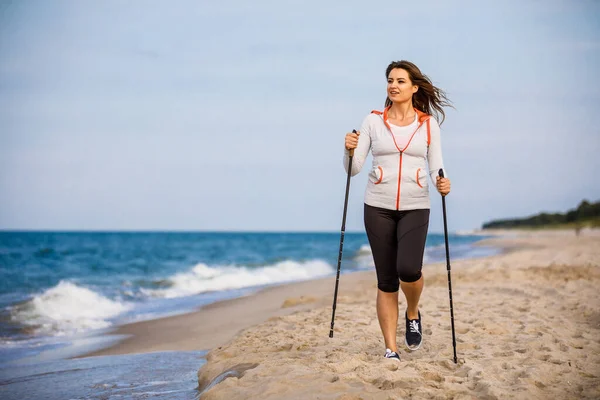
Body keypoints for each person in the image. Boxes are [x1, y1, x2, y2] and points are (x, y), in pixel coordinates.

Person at [343, 60, 452, 361]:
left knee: (408, 270)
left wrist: (443, 183)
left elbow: (436, 167)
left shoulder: (428, 125)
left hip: (416, 206)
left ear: (414, 87)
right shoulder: (372, 122)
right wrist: (348, 149)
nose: (393, 85)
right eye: (390, 80)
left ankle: (413, 311)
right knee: (386, 279)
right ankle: (390, 349)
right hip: (377, 205)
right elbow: (353, 169)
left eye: (401, 81)